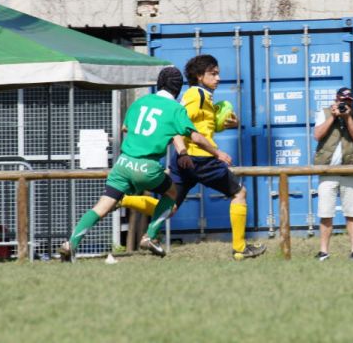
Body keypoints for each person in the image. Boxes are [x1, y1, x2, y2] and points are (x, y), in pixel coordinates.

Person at [58, 67, 228, 262]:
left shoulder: (141, 102)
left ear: (159, 84)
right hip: (147, 166)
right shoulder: (175, 109)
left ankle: (70, 244)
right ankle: (149, 236)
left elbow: (125, 127)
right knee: (172, 193)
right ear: (178, 88)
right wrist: (217, 152)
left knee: (102, 206)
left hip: (123, 163)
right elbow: (196, 137)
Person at [119, 54, 266, 260]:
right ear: (199, 76)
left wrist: (227, 124)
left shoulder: (204, 96)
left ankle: (123, 200)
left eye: (218, 74)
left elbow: (203, 126)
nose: (218, 78)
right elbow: (177, 123)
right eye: (213, 74)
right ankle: (240, 248)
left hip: (185, 161)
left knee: (169, 207)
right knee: (240, 193)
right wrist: (185, 151)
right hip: (200, 159)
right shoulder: (196, 95)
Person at [313, 87, 353, 261]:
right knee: (325, 214)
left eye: (349, 101)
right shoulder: (324, 113)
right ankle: (323, 251)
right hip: (327, 170)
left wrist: (348, 118)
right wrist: (334, 117)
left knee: (352, 213)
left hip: (350, 170)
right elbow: (317, 135)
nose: (346, 104)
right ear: (336, 100)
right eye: (343, 101)